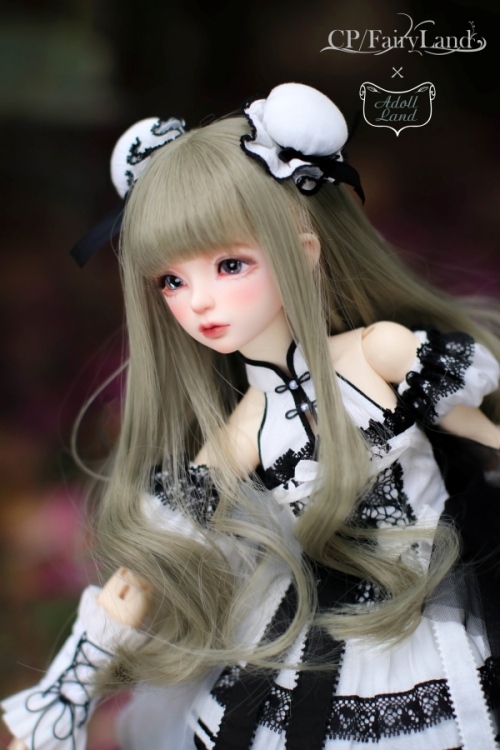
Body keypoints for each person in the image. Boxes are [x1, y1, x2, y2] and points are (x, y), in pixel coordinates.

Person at [2, 83, 500, 750]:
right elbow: (161, 557)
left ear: (304, 250)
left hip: (438, 600)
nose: (199, 303)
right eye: (172, 281)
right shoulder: (245, 431)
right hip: (323, 630)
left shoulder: (378, 352)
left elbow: (478, 429)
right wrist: (68, 689)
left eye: (229, 265)